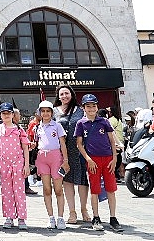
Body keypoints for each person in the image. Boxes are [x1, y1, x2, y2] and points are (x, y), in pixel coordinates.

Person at [75, 94, 123, 232]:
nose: (91, 109)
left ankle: (113, 218)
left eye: (94, 106)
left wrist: (114, 158)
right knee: (94, 189)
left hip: (108, 158)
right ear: (83, 108)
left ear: (97, 107)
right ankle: (96, 217)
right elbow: (79, 144)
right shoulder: (81, 123)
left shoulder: (104, 121)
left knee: (111, 189)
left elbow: (112, 140)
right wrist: (88, 159)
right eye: (88, 106)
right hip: (93, 160)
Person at [0, 102, 30, 230]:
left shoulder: (19, 129)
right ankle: (9, 216)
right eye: (3, 113)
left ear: (13, 114)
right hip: (3, 164)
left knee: (19, 190)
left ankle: (21, 218)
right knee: (6, 191)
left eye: (8, 113)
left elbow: (25, 147)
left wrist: (27, 165)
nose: (6, 115)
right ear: (0, 115)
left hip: (18, 163)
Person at [54, 85, 90, 224]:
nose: (64, 96)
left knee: (82, 180)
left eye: (66, 93)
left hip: (79, 149)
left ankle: (84, 209)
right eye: (61, 94)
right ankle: (72, 212)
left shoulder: (80, 110)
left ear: (72, 94)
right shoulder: (54, 111)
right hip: (62, 151)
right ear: (58, 96)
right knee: (67, 181)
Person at [33, 100, 69, 230]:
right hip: (42, 158)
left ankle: (60, 218)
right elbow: (36, 144)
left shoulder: (57, 126)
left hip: (56, 158)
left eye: (48, 111)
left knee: (58, 189)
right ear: (39, 113)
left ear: (52, 112)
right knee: (46, 189)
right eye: (43, 111)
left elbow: (63, 144)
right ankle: (51, 217)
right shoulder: (37, 127)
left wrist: (65, 161)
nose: (45, 113)